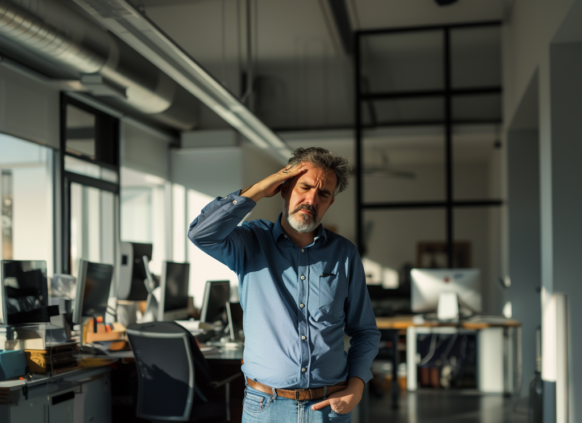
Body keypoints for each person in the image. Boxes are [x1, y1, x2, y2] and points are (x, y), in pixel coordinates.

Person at [188, 147, 380, 423]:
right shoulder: (251, 241)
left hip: (328, 408)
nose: (311, 199)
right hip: (265, 407)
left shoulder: (344, 254)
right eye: (304, 187)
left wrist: (357, 385)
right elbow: (201, 234)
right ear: (283, 188)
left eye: (323, 194)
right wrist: (257, 189)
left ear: (329, 203)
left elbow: (365, 330)